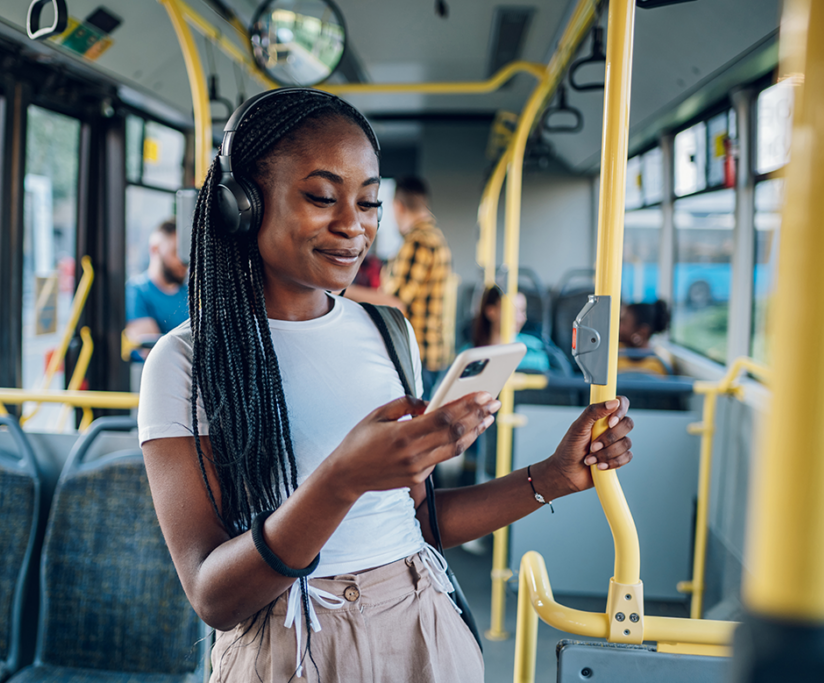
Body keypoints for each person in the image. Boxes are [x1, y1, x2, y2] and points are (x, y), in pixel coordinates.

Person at [138, 88, 635, 683]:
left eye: (370, 202)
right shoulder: (186, 361)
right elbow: (213, 597)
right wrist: (341, 480)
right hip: (290, 640)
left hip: (422, 621)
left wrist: (551, 477)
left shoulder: (388, 331)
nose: (353, 226)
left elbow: (418, 525)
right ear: (242, 204)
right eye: (322, 197)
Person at [380, 176, 451, 395]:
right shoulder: (436, 238)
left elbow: (395, 302)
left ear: (398, 206)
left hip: (416, 353)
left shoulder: (418, 242)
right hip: (431, 353)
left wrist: (344, 292)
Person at [125, 219, 190, 356]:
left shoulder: (190, 294)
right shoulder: (136, 292)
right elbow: (152, 353)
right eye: (175, 253)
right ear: (155, 249)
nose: (183, 261)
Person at [471, 286, 556, 374]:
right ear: (491, 312)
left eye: (522, 311)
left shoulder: (537, 349)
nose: (520, 318)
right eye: (513, 310)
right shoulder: (470, 355)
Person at [617, 300, 673, 376]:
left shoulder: (658, 365)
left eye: (623, 322)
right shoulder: (615, 352)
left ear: (641, 332)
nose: (618, 327)